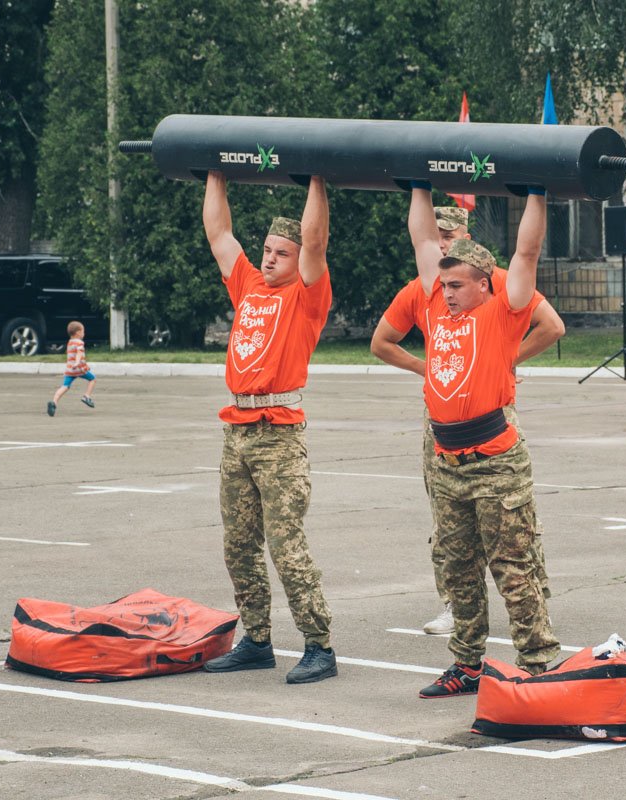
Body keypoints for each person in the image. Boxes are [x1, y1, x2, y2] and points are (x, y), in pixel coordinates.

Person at [370, 205, 564, 636]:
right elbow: (418, 246)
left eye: (450, 234)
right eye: (436, 237)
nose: (442, 243)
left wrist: (506, 358)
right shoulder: (435, 296)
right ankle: (460, 626)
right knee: (454, 540)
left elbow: (535, 278)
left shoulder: (496, 297)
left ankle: (535, 623)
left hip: (492, 431)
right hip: (446, 437)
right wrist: (429, 367)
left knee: (512, 543)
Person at [405, 181, 559, 698]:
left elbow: (527, 251)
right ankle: (467, 665)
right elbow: (423, 240)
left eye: (457, 287)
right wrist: (417, 184)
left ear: (484, 285)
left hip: (496, 461)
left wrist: (536, 192)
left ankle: (539, 666)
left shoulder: (502, 312)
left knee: (512, 568)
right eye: (443, 286)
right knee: (460, 570)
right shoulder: (433, 307)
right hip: (448, 461)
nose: (446, 293)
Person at [200, 171, 338, 684]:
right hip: (237, 431)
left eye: (282, 252)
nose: (269, 259)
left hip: (279, 433)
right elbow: (218, 233)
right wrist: (214, 173)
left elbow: (317, 241)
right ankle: (256, 638)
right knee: (239, 543)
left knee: (286, 544)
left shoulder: (305, 296)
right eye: (267, 250)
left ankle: (319, 645)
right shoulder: (250, 285)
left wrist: (316, 180)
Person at [47, 320, 95, 416]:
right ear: (78, 332)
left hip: (69, 369)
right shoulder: (79, 343)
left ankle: (54, 402)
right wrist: (78, 362)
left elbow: (71, 356)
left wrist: (83, 364)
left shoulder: (70, 342)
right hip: (79, 369)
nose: (84, 333)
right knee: (92, 379)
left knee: (64, 386)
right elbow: (79, 353)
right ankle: (86, 396)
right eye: (83, 331)